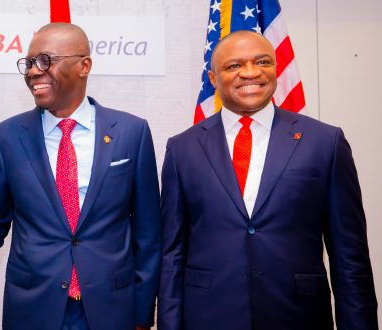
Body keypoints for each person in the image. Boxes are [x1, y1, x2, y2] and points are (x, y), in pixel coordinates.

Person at [158, 30, 377, 330]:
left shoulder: (325, 141)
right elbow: (172, 253)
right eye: (234, 66)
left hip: (298, 316)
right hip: (210, 317)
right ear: (212, 78)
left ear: (276, 68)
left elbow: (349, 256)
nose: (251, 73)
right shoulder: (182, 148)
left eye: (262, 61)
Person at [0, 23, 161, 330]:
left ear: (84, 65)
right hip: (34, 309)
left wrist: (143, 314)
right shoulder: (7, 136)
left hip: (112, 309)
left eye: (46, 61)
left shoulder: (132, 132)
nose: (34, 71)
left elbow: (148, 233)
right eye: (29, 62)